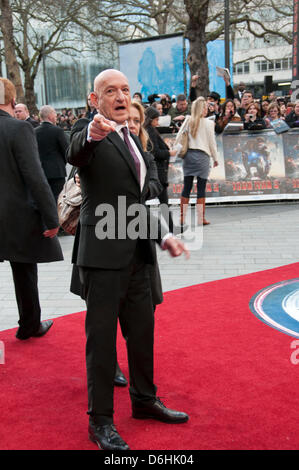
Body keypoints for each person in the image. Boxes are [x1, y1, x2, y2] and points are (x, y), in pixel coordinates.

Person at [67, 69, 190, 451]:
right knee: (101, 344)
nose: (120, 97)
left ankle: (144, 400)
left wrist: (164, 235)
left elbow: (140, 200)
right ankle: (100, 421)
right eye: (110, 91)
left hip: (139, 256)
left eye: (125, 90)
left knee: (142, 336)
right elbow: (76, 151)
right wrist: (91, 134)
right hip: (103, 259)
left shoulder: (133, 137)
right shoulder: (91, 134)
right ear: (95, 100)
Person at [0, 77, 63, 340]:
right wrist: (52, 218)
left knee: (24, 269)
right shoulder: (18, 129)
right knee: (24, 269)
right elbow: (35, 177)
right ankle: (29, 325)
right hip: (16, 215)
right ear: (13, 101)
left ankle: (29, 324)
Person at [176, 96, 219, 227]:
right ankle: (201, 218)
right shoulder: (209, 123)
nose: (207, 109)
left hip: (189, 156)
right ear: (202, 109)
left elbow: (178, 137)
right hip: (202, 157)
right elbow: (212, 143)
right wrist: (215, 158)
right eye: (206, 107)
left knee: (187, 187)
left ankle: (182, 218)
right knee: (201, 188)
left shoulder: (188, 120)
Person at [144, 106, 178, 234]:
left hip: (156, 172)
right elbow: (156, 152)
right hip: (158, 172)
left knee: (161, 202)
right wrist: (170, 153)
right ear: (151, 119)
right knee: (162, 202)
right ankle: (166, 228)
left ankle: (168, 228)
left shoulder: (149, 130)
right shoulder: (150, 131)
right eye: (156, 119)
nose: (158, 122)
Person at [35, 105, 69, 204]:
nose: (56, 116)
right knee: (58, 199)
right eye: (54, 113)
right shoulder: (57, 131)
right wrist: (61, 162)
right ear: (50, 116)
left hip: (41, 171)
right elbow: (66, 150)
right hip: (57, 171)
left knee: (45, 199)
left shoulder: (34, 131)